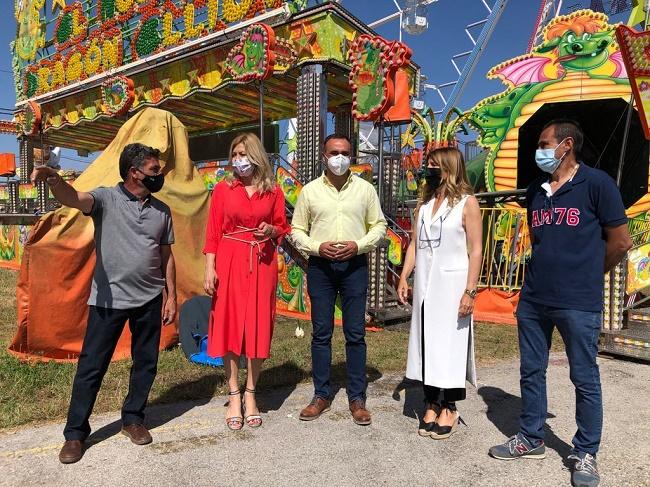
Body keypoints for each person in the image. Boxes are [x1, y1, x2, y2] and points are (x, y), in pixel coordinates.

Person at [488, 120, 632, 487]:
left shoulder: (598, 184)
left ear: (566, 145)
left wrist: (587, 273)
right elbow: (539, 240)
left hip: (578, 301)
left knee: (583, 376)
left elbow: (620, 242)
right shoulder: (536, 189)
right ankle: (531, 436)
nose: (539, 151)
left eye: (544, 143)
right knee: (530, 370)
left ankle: (585, 452)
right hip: (535, 299)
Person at [31, 143, 177, 464]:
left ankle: (133, 419)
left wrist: (172, 297)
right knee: (92, 366)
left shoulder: (162, 211)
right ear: (134, 173)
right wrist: (55, 181)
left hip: (150, 299)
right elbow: (75, 199)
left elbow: (167, 256)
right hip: (108, 301)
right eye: (154, 170)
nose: (160, 175)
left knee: (146, 363)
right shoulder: (106, 199)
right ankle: (75, 434)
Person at [291, 133, 387, 425]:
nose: (339, 158)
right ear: (324, 155)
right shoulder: (309, 191)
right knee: (321, 334)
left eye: (344, 152)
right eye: (334, 152)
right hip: (320, 267)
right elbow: (297, 230)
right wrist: (316, 247)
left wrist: (357, 246)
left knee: (355, 333)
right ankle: (321, 394)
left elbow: (379, 226)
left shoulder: (365, 190)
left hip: (354, 266)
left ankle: (357, 398)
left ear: (351, 156)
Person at [203, 132, 289, 431]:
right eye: (234, 155)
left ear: (256, 156)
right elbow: (213, 232)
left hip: (261, 261)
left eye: (243, 154)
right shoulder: (223, 190)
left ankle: (251, 394)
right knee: (228, 326)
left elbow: (282, 226)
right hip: (228, 260)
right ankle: (234, 394)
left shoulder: (273, 191)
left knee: (257, 326)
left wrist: (271, 230)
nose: (238, 160)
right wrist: (209, 268)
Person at [397, 147, 482, 440]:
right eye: (428, 164)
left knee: (451, 344)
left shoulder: (467, 203)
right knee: (427, 342)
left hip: (453, 284)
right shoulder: (424, 204)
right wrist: (404, 276)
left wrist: (470, 290)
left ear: (450, 167)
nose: (428, 169)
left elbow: (476, 249)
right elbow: (414, 245)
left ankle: (450, 406)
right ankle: (431, 401)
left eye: (434, 165)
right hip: (425, 286)